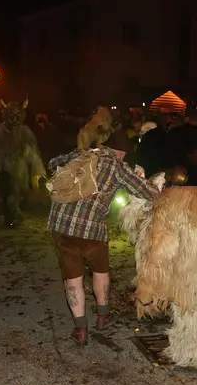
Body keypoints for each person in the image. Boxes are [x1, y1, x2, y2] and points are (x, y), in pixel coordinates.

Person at [46, 110, 160, 346]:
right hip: (91, 230)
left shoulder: (81, 153)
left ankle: (80, 330)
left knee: (73, 278)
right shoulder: (117, 166)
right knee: (100, 271)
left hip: (60, 225)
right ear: (122, 152)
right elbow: (146, 192)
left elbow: (52, 164)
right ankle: (103, 316)